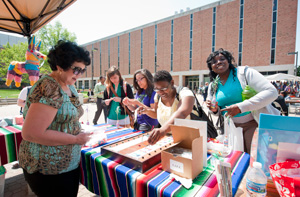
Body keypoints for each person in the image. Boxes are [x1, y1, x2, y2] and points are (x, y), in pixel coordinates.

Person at [18, 40, 92, 197]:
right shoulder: (49, 86)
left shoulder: (69, 85)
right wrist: (76, 139)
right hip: (48, 168)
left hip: (65, 165)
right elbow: (31, 133)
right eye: (76, 69)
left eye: (83, 70)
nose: (79, 75)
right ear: (60, 66)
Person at [206, 48, 279, 154]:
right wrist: (214, 110)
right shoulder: (213, 85)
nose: (219, 62)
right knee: (238, 160)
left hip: (253, 124)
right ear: (211, 68)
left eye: (222, 59)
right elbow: (216, 112)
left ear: (228, 61)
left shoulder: (244, 73)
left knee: (255, 159)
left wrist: (240, 107)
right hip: (231, 128)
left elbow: (272, 92)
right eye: (214, 61)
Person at [139, 70, 196, 144]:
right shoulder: (157, 96)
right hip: (170, 140)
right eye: (156, 89)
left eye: (163, 89)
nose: (160, 92)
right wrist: (146, 111)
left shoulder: (185, 93)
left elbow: (182, 113)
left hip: (191, 140)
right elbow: (156, 114)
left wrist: (163, 130)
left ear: (171, 83)